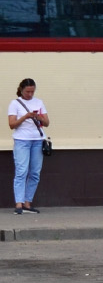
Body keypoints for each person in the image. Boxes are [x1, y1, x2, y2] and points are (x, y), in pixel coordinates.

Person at [8, 78, 48, 215]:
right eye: (27, 91)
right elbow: (12, 125)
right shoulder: (15, 103)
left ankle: (27, 203)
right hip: (22, 140)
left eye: (32, 91)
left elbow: (47, 122)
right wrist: (25, 117)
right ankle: (18, 204)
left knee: (35, 173)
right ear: (22, 90)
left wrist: (39, 117)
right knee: (21, 171)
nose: (30, 94)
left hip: (37, 140)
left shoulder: (39, 102)